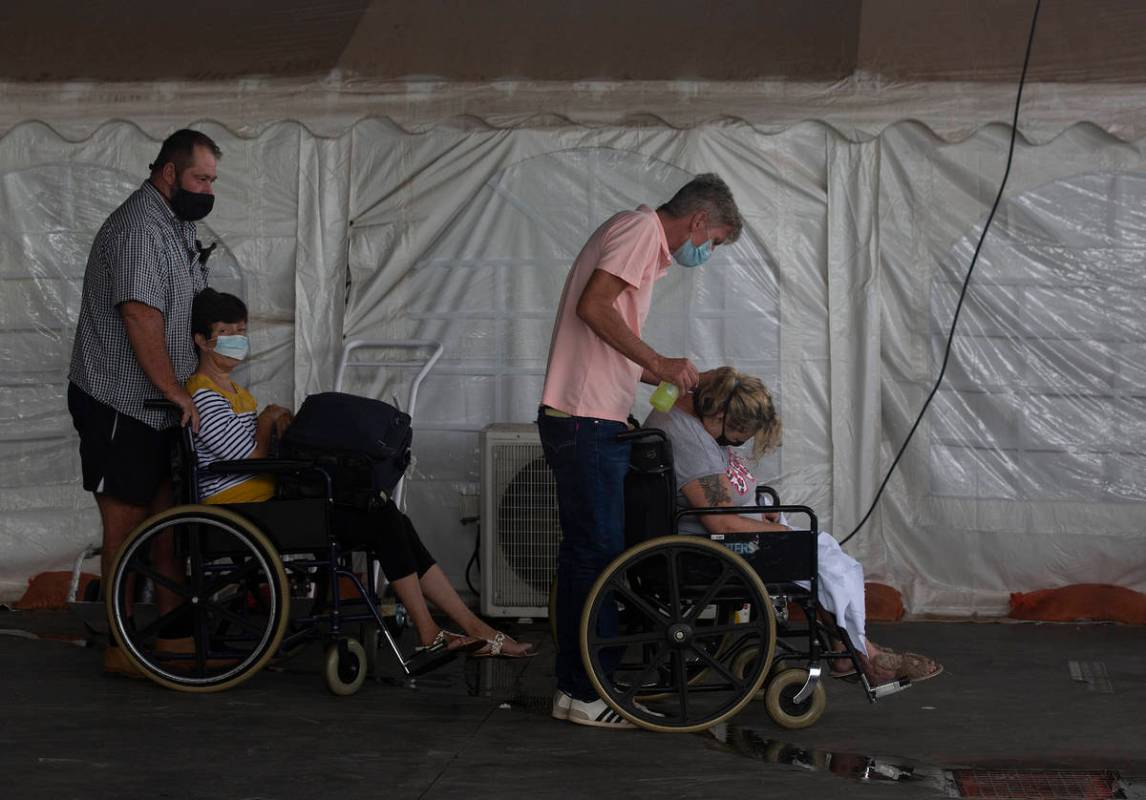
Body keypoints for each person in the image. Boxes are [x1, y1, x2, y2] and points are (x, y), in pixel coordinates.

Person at [187, 288, 533, 659]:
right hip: (244, 510)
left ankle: (464, 627)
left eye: (242, 331)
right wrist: (268, 418)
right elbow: (248, 457)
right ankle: (434, 629)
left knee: (390, 516)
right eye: (227, 332)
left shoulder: (236, 392)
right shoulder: (204, 394)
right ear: (202, 341)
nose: (237, 341)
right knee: (384, 520)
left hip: (269, 501)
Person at [539, 174, 744, 728]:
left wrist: (636, 390)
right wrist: (657, 363)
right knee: (600, 558)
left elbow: (602, 325)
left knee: (588, 555)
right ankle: (587, 692)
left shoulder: (635, 236)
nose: (708, 252)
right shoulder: (637, 230)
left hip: (593, 417)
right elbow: (595, 307)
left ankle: (573, 688)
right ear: (699, 220)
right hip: (583, 421)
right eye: (716, 241)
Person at [645, 366, 943, 685]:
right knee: (815, 556)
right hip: (716, 546)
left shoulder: (692, 419)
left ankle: (853, 647)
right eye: (734, 438)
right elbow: (718, 519)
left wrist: (761, 507)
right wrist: (780, 534)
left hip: (725, 533)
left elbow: (720, 496)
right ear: (718, 413)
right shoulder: (690, 439)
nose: (734, 444)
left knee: (821, 555)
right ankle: (860, 654)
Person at [67, 128, 222, 676]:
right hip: (119, 401)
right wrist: (175, 389)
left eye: (212, 180)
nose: (207, 189)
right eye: (200, 178)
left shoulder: (177, 226)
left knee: (169, 524)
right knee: (126, 529)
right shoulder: (138, 228)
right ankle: (121, 643)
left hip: (159, 403)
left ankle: (175, 636)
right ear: (168, 172)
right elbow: (140, 314)